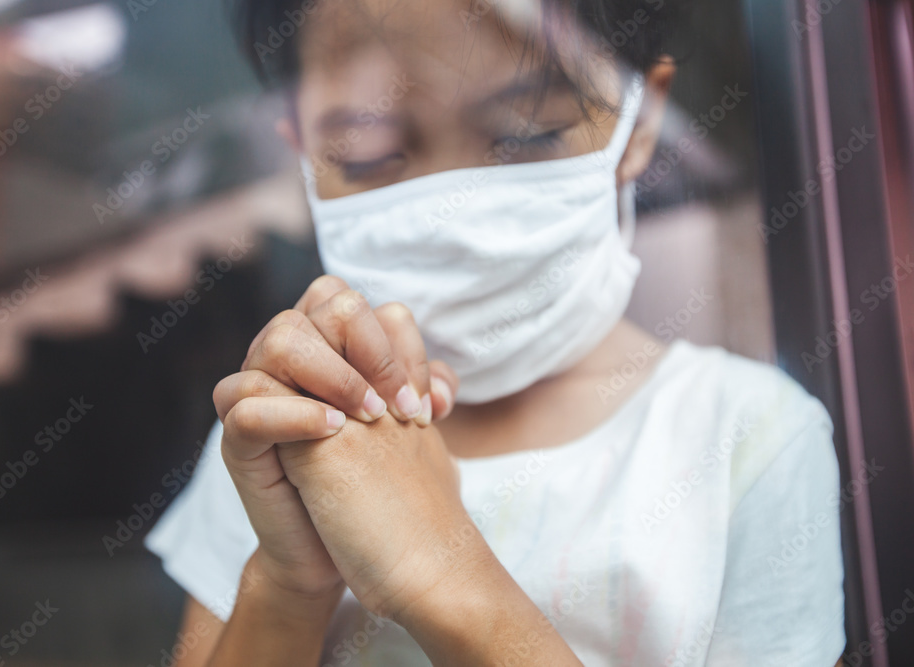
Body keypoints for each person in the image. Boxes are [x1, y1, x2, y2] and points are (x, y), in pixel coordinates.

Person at [145, 0, 847, 664]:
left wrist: (446, 578)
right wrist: (286, 581)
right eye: (367, 149)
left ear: (640, 121)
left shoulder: (747, 439)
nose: (452, 197)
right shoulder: (284, 427)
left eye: (527, 133)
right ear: (302, 146)